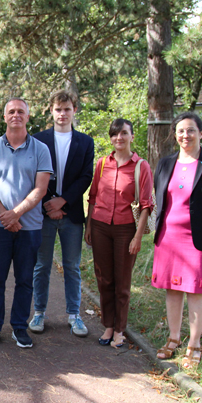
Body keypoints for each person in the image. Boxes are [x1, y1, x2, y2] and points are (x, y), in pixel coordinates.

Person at [152, 112, 202, 368]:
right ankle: (173, 339)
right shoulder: (165, 163)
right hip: (169, 237)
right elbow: (161, 197)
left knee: (198, 290)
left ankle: (194, 345)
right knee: (173, 289)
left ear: (201, 133)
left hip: (201, 239)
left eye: (191, 130)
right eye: (181, 131)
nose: (186, 135)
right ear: (175, 135)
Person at [0, 98, 53, 348]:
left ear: (28, 117)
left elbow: (40, 189)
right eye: (11, 111)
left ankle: (19, 327)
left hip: (29, 227)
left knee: (24, 279)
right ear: (4, 116)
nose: (16, 115)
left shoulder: (41, 149)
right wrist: (4, 216)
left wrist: (15, 214)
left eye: (21, 111)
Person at [84, 119, 153, 348]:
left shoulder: (141, 166)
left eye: (124, 133)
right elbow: (92, 197)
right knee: (104, 279)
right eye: (114, 134)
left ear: (132, 136)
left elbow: (146, 205)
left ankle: (120, 329)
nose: (119, 138)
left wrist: (137, 237)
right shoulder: (103, 163)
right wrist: (89, 227)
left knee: (122, 281)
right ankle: (108, 325)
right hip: (101, 226)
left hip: (125, 230)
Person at [31, 90, 94, 337]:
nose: (62, 114)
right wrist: (49, 203)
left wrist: (63, 202)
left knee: (72, 266)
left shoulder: (86, 142)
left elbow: (85, 177)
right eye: (58, 109)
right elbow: (33, 174)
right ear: (51, 111)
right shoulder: (37, 140)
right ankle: (38, 313)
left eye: (67, 109)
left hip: (72, 214)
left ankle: (74, 315)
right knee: (41, 265)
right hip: (43, 213)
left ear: (74, 111)